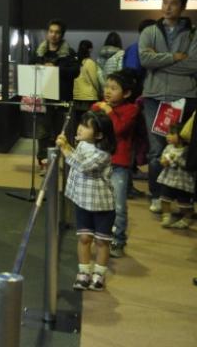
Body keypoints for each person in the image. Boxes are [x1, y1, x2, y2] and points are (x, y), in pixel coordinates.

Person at [139, 0, 197, 213]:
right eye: (165, 2)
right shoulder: (150, 31)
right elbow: (145, 59)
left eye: (173, 3)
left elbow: (194, 64)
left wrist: (159, 62)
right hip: (154, 97)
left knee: (181, 149)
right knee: (156, 150)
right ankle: (157, 195)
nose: (168, 7)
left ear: (183, 7)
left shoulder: (193, 33)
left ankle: (182, 198)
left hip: (183, 97)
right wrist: (174, 57)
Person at [56, 110, 116, 291]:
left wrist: (65, 149)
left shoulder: (103, 154)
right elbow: (77, 157)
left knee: (102, 241)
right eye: (81, 124)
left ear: (99, 135)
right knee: (84, 238)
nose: (80, 128)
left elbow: (83, 166)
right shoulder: (82, 144)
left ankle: (99, 274)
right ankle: (83, 273)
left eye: (86, 127)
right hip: (82, 201)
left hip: (102, 205)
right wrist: (68, 146)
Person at [91, 71, 140, 258]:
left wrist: (108, 112)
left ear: (126, 93)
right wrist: (99, 110)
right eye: (106, 87)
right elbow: (91, 128)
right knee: (97, 201)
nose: (108, 91)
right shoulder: (98, 106)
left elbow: (118, 129)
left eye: (113, 88)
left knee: (118, 205)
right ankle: (100, 236)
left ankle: (118, 240)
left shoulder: (131, 110)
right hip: (99, 161)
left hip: (119, 164)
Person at [31, 19, 80, 165]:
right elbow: (30, 68)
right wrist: (41, 68)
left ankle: (60, 163)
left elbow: (76, 71)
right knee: (42, 133)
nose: (53, 35)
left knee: (61, 133)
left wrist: (56, 70)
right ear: (47, 33)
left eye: (57, 32)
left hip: (62, 100)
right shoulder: (38, 52)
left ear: (62, 35)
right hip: (42, 98)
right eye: (51, 31)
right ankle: (42, 162)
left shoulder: (69, 53)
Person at [157, 123, 194, 229]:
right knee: (164, 199)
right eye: (168, 133)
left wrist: (177, 159)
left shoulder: (187, 151)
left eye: (172, 134)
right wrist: (164, 161)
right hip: (168, 180)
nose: (168, 136)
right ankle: (166, 216)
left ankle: (187, 217)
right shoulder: (168, 148)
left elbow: (188, 165)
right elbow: (162, 160)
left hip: (183, 182)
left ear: (181, 136)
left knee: (184, 204)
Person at [72, 40, 102, 127]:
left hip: (77, 97)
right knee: (89, 123)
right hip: (89, 98)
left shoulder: (75, 62)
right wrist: (99, 92)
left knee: (78, 123)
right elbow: (94, 80)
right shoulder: (89, 62)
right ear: (90, 49)